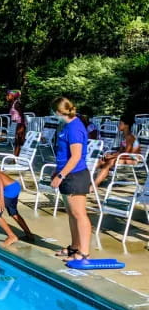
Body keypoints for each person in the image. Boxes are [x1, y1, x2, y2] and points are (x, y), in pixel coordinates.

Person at [51, 97, 92, 261]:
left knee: (79, 214)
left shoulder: (75, 128)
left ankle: (84, 251)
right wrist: (57, 171)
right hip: (67, 174)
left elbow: (75, 157)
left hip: (75, 175)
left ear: (59, 112)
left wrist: (61, 176)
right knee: (71, 213)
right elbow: (63, 154)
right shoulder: (67, 125)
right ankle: (74, 247)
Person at [93, 114, 141, 188]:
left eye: (120, 123)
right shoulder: (124, 136)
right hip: (124, 157)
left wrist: (112, 156)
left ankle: (94, 185)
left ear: (126, 125)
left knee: (110, 162)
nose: (118, 125)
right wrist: (110, 155)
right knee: (101, 160)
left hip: (132, 159)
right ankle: (88, 181)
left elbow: (126, 153)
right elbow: (121, 150)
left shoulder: (130, 137)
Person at [7, 90, 26, 156]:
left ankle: (15, 158)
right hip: (15, 124)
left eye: (8, 95)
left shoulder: (17, 104)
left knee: (18, 142)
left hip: (20, 124)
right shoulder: (12, 103)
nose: (7, 96)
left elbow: (22, 115)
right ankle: (15, 158)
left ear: (13, 96)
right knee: (16, 142)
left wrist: (22, 126)